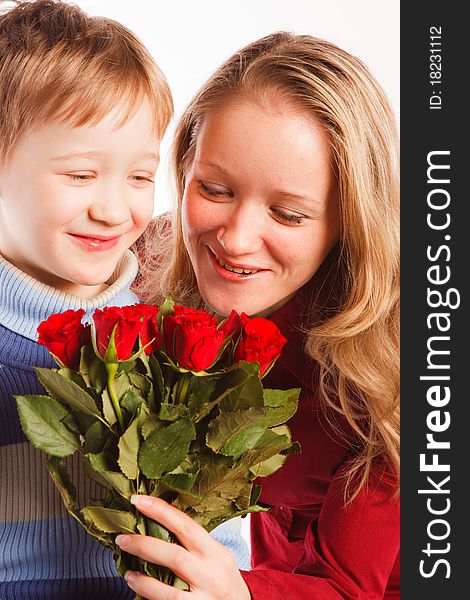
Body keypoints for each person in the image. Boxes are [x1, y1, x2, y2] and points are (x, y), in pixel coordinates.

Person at [122, 31, 400, 599]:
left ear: (351, 220)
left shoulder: (395, 373)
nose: (237, 239)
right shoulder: (141, 269)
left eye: (289, 214)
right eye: (215, 188)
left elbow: (349, 587)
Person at [0, 1, 247, 598]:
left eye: (139, 176)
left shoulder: (178, 337)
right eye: (80, 175)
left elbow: (221, 537)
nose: (115, 211)